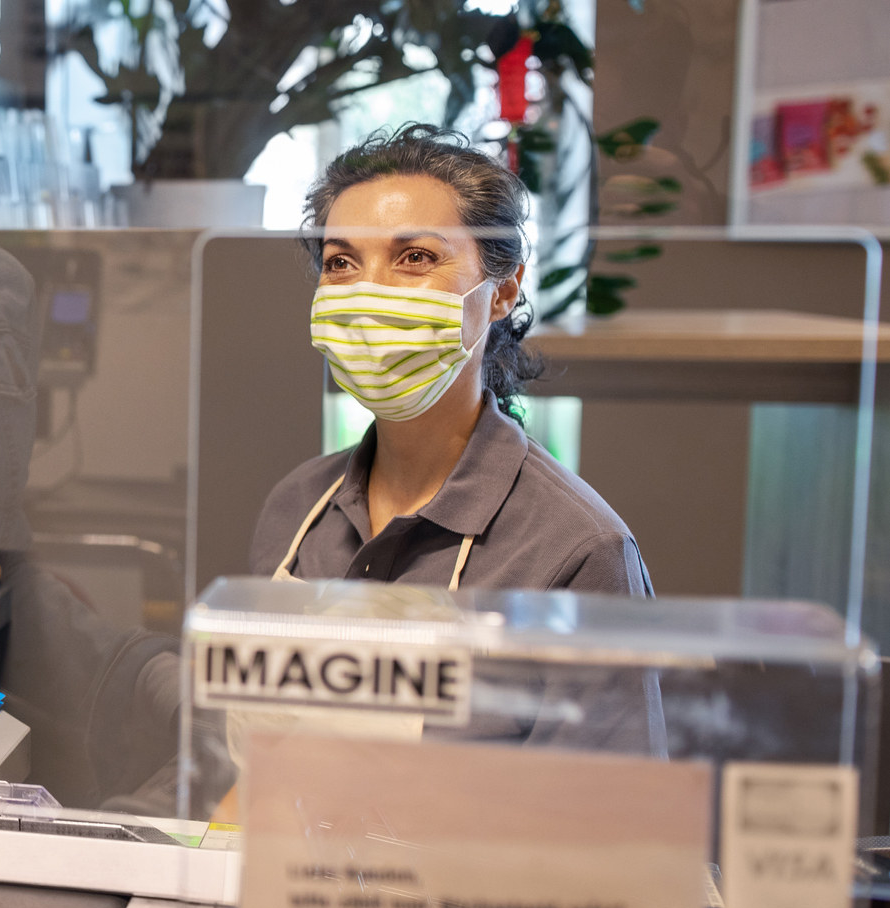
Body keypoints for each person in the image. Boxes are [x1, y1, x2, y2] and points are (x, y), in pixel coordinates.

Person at [250, 125, 652, 596]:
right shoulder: (296, 506)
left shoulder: (580, 549)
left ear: (502, 291)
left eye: (416, 256)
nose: (369, 292)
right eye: (341, 262)